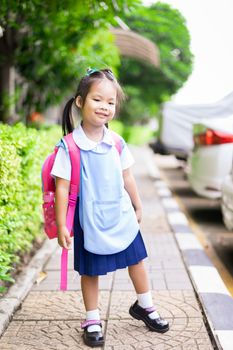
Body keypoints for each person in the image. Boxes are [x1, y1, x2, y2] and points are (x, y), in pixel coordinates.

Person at [51, 68, 169, 347]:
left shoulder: (116, 142)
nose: (105, 107)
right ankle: (92, 318)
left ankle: (145, 305)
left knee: (137, 260)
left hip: (120, 214)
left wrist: (138, 205)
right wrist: (62, 225)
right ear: (80, 102)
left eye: (111, 102)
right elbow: (62, 187)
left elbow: (128, 176)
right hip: (88, 218)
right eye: (97, 99)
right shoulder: (70, 146)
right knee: (90, 271)